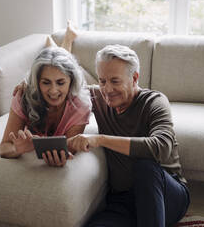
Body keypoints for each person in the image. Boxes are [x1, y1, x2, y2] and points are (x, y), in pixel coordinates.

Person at [67, 44, 190, 227]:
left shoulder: (154, 102)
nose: (107, 89)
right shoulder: (96, 96)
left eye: (115, 81)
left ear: (134, 78)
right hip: (124, 202)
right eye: (102, 81)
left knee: (145, 167)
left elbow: (161, 148)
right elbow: (61, 85)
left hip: (166, 196)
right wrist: (29, 86)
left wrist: (100, 139)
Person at [0, 26, 91, 167]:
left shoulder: (81, 105)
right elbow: (4, 148)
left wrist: (58, 155)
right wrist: (17, 149)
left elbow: (69, 148)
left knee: (59, 64)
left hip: (76, 90)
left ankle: (66, 40)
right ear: (37, 82)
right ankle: (60, 43)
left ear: (71, 81)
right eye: (46, 82)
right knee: (55, 64)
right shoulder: (24, 96)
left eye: (61, 83)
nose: (53, 91)